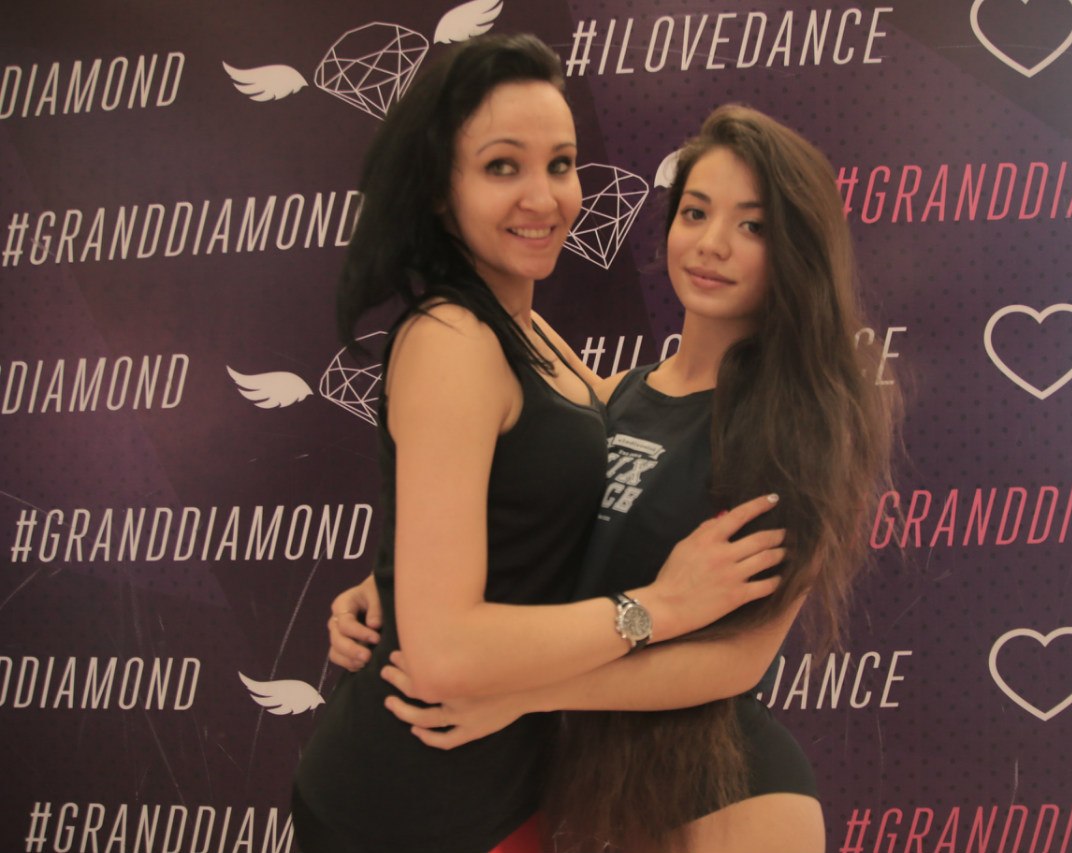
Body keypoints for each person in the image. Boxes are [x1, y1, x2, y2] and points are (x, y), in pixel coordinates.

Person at [331, 105, 901, 852]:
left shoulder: (797, 431)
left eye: (753, 226)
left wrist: (524, 694)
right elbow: (520, 529)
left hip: (725, 798)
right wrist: (396, 585)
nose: (713, 243)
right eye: (695, 212)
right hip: (589, 792)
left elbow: (739, 660)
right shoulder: (610, 395)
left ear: (796, 251)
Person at [291, 36, 788, 853]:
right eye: (501, 166)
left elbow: (529, 498)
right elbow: (443, 652)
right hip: (411, 804)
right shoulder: (454, 338)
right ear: (441, 189)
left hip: (506, 781)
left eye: (560, 164)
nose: (543, 196)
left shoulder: (530, 331)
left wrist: (392, 579)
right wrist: (658, 608)